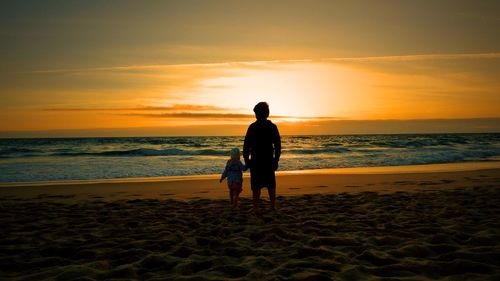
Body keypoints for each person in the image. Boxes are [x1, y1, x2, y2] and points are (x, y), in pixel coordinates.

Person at [243, 102, 281, 213]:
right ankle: (272, 205)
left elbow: (246, 146)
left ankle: (255, 207)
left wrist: (247, 160)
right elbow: (278, 146)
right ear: (267, 113)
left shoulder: (252, 127)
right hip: (268, 160)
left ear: (256, 114)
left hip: (256, 160)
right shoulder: (272, 127)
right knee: (270, 184)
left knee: (256, 186)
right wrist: (276, 160)